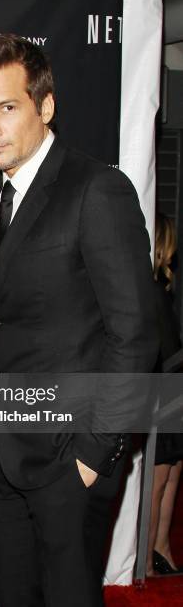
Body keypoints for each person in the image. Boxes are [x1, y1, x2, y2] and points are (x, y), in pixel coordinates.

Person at [0, 34, 158, 607]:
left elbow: (135, 333)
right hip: (4, 453)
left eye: (7, 107)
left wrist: (93, 456)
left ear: (45, 107)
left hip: (70, 459)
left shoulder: (96, 189)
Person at [147, 213, 182, 576]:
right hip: (161, 394)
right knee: (159, 479)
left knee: (171, 475)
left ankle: (162, 550)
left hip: (173, 392)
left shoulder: (161, 288)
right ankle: (147, 559)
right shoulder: (152, 291)